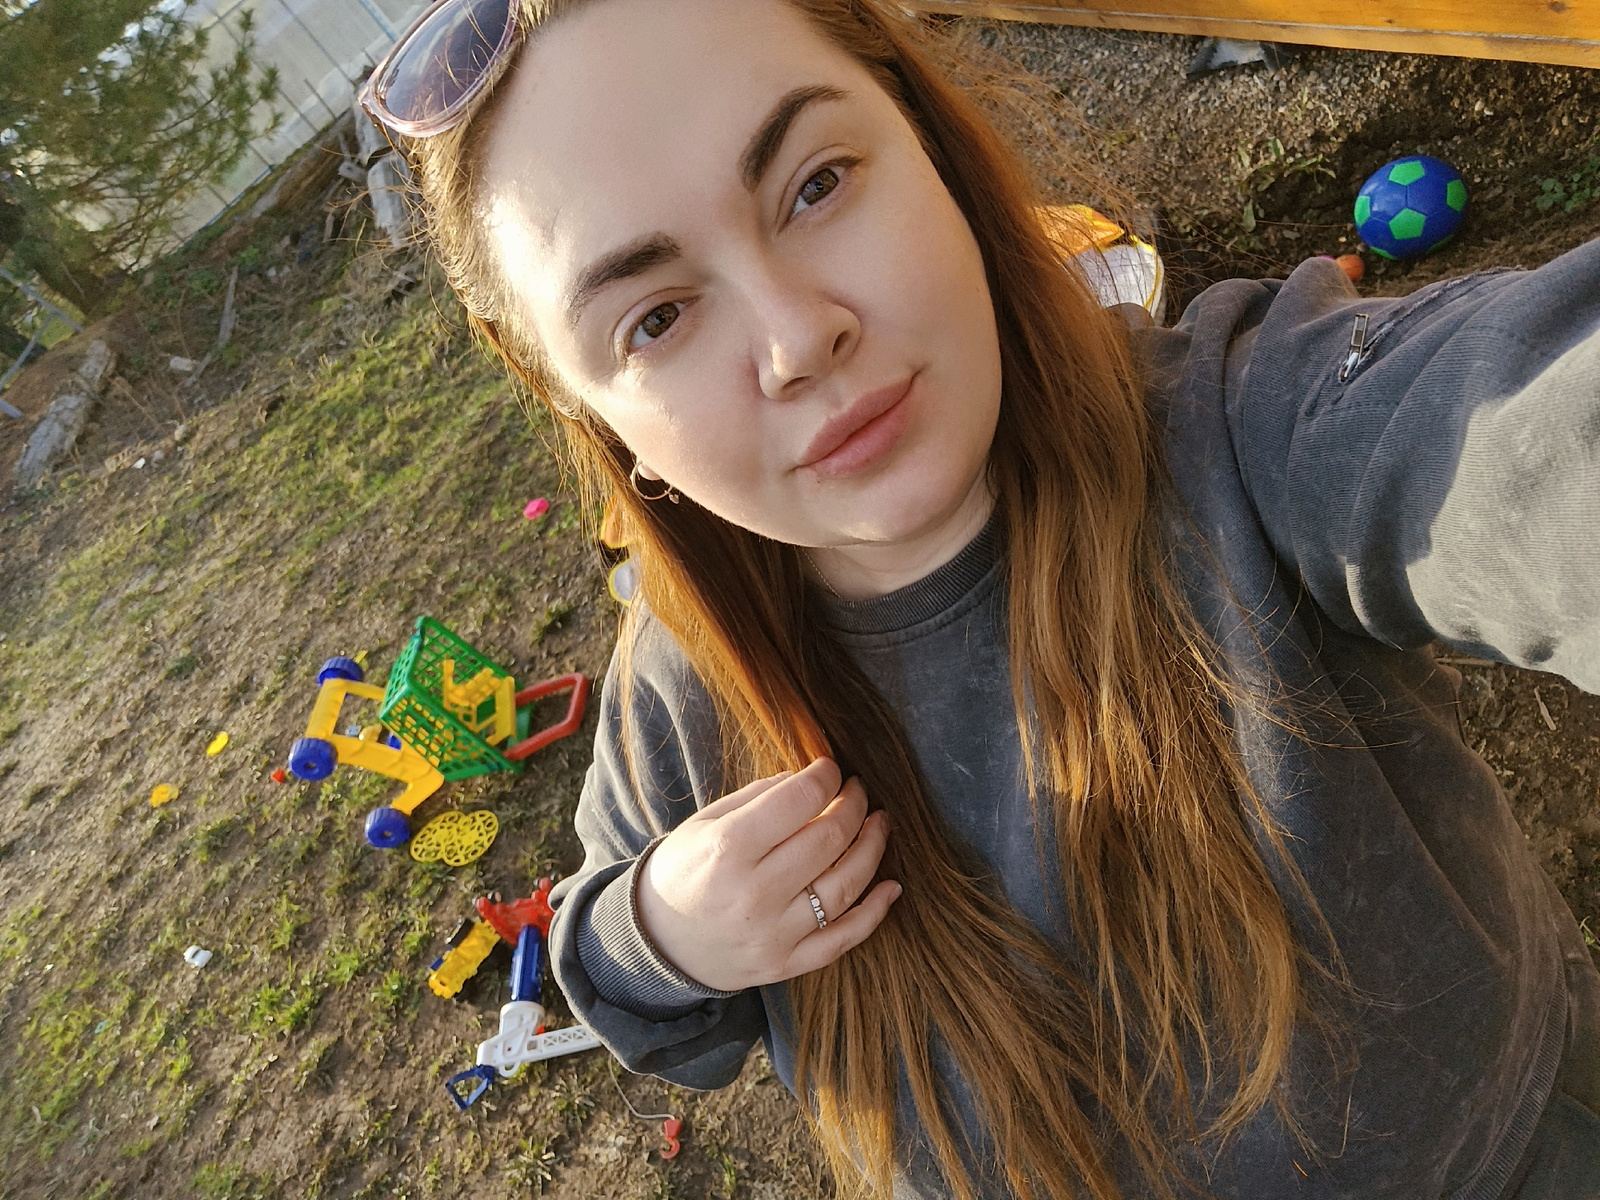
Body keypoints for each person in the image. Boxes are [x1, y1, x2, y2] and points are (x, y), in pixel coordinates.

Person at [361, 0, 1600, 1195]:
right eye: (658, 318)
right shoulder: (682, 697)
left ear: (923, 136)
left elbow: (1529, 434)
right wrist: (660, 933)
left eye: (815, 184)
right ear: (576, 400)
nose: (797, 339)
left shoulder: (1244, 434)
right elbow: (609, 961)